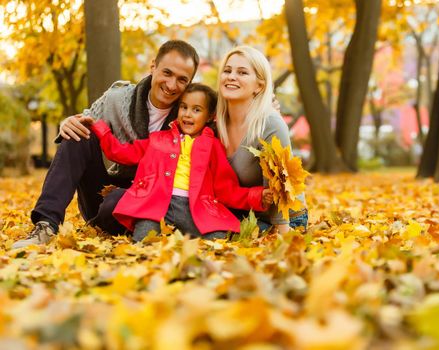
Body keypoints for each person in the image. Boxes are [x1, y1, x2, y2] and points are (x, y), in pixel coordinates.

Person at [13, 40, 200, 249]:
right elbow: (86, 119)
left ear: (190, 83)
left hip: (156, 206)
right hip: (107, 196)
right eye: (167, 73)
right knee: (79, 133)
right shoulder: (117, 99)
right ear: (153, 66)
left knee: (117, 201)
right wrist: (68, 122)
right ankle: (46, 224)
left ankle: (116, 226)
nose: (172, 85)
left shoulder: (191, 117)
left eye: (182, 79)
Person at [84, 83, 273, 242]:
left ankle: (259, 228)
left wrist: (256, 196)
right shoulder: (157, 139)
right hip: (155, 205)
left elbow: (226, 188)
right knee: (143, 242)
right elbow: (121, 153)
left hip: (196, 210)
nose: (187, 114)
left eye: (196, 109)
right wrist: (99, 128)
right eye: (184, 107)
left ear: (209, 116)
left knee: (219, 241)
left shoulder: (213, 146)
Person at [216, 46, 308, 233]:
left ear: (259, 85)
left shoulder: (270, 123)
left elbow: (279, 188)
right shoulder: (215, 125)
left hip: (285, 218)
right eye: (227, 70)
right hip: (244, 213)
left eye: (242, 72)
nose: (231, 76)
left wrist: (281, 233)